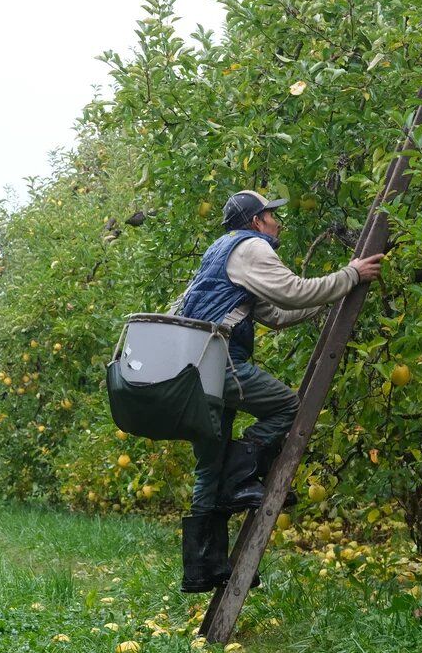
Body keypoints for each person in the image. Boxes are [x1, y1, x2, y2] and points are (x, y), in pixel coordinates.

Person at [172, 189, 384, 593]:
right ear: (256, 221)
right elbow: (292, 291)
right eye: (272, 216)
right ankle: (241, 479)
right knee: (288, 406)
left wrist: (333, 293)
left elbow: (277, 313)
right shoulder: (253, 247)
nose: (278, 223)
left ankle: (203, 569)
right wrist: (351, 275)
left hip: (196, 368)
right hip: (222, 361)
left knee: (208, 465)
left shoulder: (221, 250)